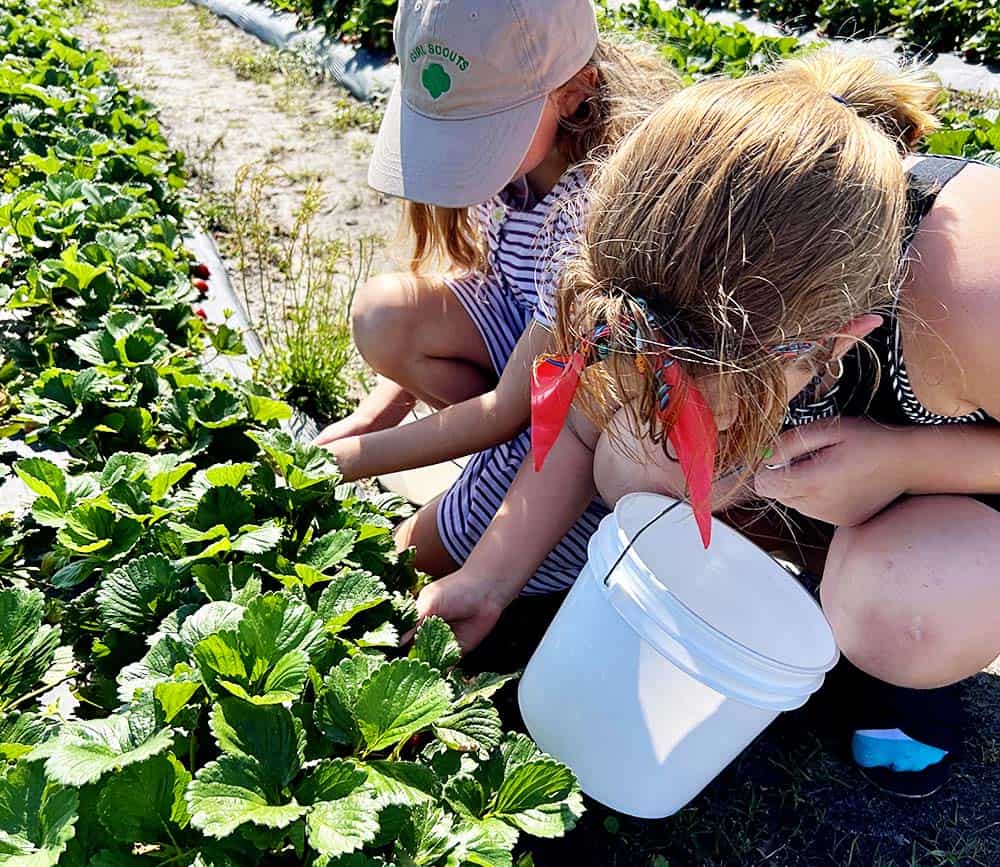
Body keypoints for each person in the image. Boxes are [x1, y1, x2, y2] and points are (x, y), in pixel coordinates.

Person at [537, 51, 999, 797]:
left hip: (971, 479)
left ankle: (908, 650)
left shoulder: (980, 289)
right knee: (636, 462)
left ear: (843, 340)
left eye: (735, 408)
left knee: (897, 604)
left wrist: (909, 463)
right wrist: (491, 579)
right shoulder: (690, 213)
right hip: (853, 455)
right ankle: (812, 586)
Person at [316, 0, 680, 596]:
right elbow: (480, 279)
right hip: (526, 345)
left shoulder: (595, 205)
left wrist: (352, 460)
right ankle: (494, 472)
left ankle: (536, 499)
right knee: (384, 315)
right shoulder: (513, 164)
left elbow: (514, 406)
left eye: (479, 133)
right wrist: (369, 423)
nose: (463, 158)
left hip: (584, 397)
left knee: (420, 552)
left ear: (574, 91)